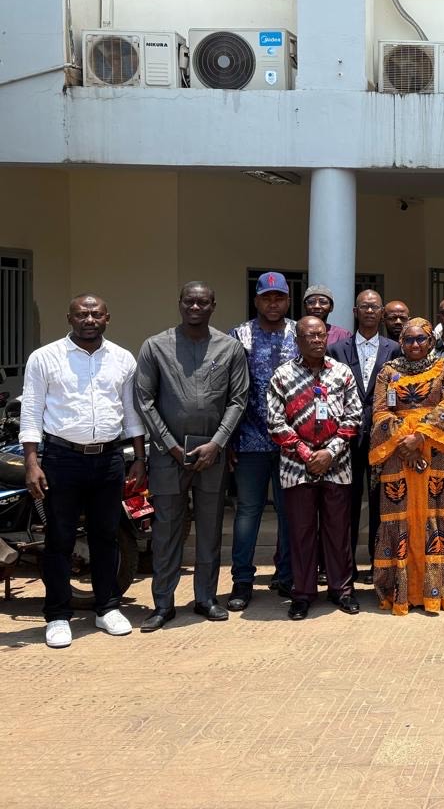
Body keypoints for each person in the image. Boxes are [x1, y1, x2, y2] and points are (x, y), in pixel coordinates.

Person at [19, 294, 146, 648]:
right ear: (69, 318)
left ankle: (107, 608)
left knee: (106, 536)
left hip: (109, 459)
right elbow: (31, 411)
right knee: (59, 539)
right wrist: (32, 462)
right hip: (62, 458)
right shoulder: (44, 358)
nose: (89, 319)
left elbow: (131, 411)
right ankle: (58, 615)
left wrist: (139, 457)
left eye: (95, 314)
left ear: (107, 318)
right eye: (81, 314)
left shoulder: (122, 358)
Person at [134, 282, 249, 631]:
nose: (195, 307)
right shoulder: (155, 346)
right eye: (189, 301)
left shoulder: (229, 348)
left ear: (213, 305)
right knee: (166, 530)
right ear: (179, 303)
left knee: (210, 529)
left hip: (212, 454)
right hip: (167, 454)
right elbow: (144, 400)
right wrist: (170, 445)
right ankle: (163, 604)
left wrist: (217, 444)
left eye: (202, 302)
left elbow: (238, 400)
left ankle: (206, 598)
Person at [267, 316, 363, 620]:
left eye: (321, 335)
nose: (317, 340)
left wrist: (329, 453)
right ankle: (303, 593)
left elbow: (354, 417)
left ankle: (341, 590)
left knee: (338, 531)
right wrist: (308, 454)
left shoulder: (342, 373)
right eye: (310, 336)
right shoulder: (282, 375)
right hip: (297, 468)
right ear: (297, 340)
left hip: (337, 465)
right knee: (301, 533)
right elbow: (275, 422)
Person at [369, 319, 444, 614]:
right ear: (401, 342)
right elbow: (380, 411)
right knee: (398, 515)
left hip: (436, 451)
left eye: (420, 339)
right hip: (397, 452)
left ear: (430, 341)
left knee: (437, 515)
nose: (414, 344)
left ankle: (438, 591)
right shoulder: (388, 371)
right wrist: (405, 442)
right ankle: (401, 592)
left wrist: (420, 437)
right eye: (409, 340)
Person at [227, 271, 298, 612]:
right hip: (249, 441)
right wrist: (228, 439)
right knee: (248, 513)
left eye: (279, 297)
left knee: (289, 513)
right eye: (267, 297)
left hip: (292, 443)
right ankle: (241, 580)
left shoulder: (299, 333)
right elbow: (228, 389)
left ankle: (286, 576)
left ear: (288, 300)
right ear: (256, 300)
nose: (273, 303)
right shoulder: (239, 335)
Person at [328, 290, 399, 572]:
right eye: (364, 307)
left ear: (382, 313)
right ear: (355, 312)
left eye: (375, 307)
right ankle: (346, 566)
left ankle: (377, 563)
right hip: (347, 436)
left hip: (383, 436)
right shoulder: (337, 349)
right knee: (348, 501)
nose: (370, 311)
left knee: (381, 500)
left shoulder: (394, 349)